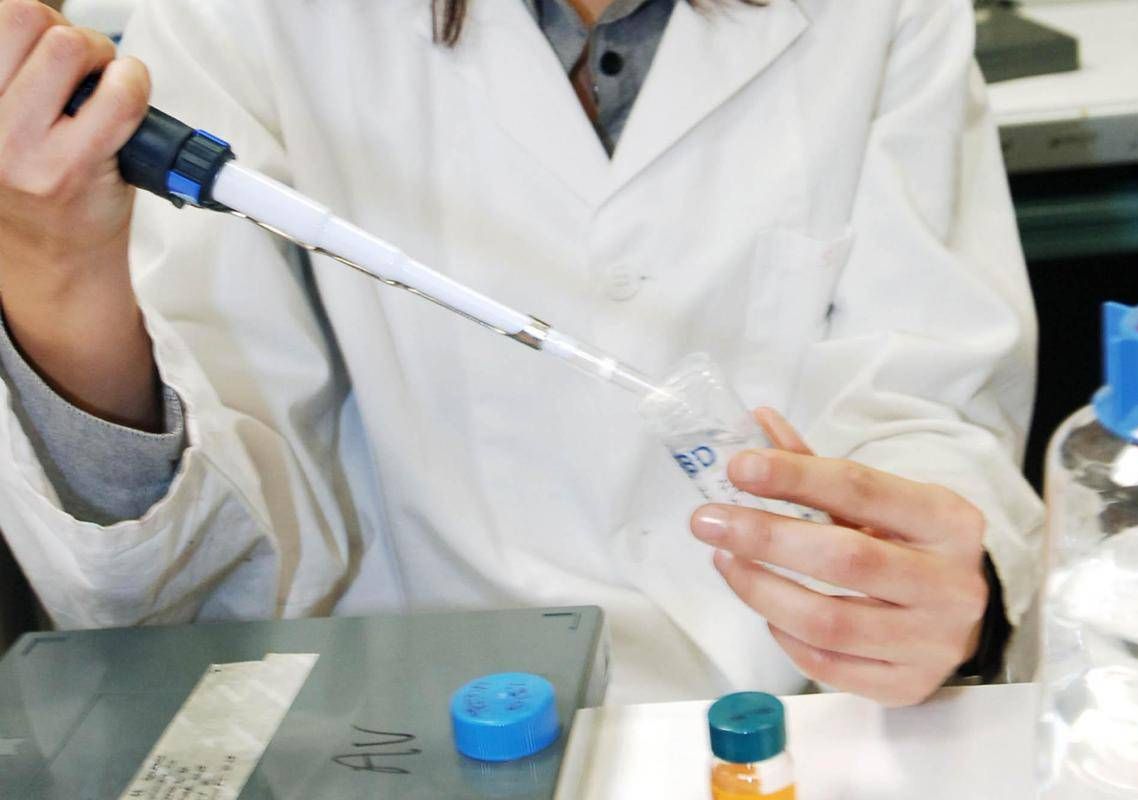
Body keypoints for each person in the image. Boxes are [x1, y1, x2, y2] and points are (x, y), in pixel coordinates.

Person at [0, 0, 1043, 705]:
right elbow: (199, 567)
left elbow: (928, 399)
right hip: (410, 716)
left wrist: (936, 592)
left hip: (808, 714)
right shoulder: (245, 19)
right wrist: (58, 267)